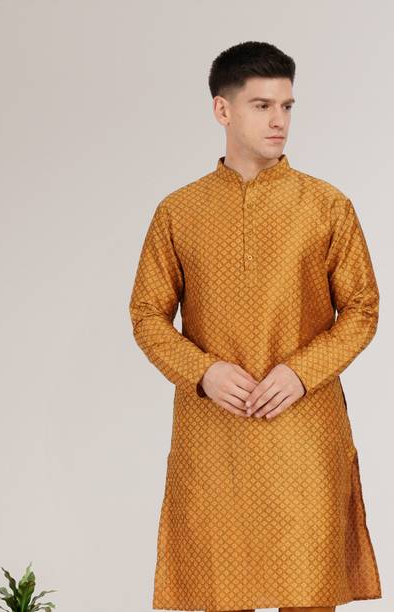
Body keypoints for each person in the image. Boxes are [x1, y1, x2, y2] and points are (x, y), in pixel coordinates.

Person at [128, 41, 382, 612]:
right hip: (214, 434)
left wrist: (301, 373)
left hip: (304, 428)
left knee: (309, 590)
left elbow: (362, 308)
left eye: (287, 106)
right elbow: (146, 313)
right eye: (262, 105)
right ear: (223, 110)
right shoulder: (179, 211)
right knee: (219, 592)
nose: (279, 121)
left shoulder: (326, 206)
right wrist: (204, 372)